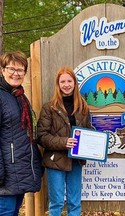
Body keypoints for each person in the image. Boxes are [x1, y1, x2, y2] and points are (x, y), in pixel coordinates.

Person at [37, 66, 93, 216]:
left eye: (69, 81)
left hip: (76, 160)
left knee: (75, 202)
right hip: (56, 161)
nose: (66, 84)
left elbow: (88, 130)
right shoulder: (49, 108)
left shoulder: (83, 107)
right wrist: (64, 142)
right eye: (63, 81)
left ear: (75, 83)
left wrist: (96, 142)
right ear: (58, 84)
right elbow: (41, 136)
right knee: (56, 203)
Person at [0, 51, 43, 215]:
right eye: (11, 69)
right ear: (3, 70)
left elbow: (27, 135)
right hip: (5, 175)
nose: (15, 74)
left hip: (19, 171)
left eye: (20, 70)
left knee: (14, 212)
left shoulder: (20, 97)